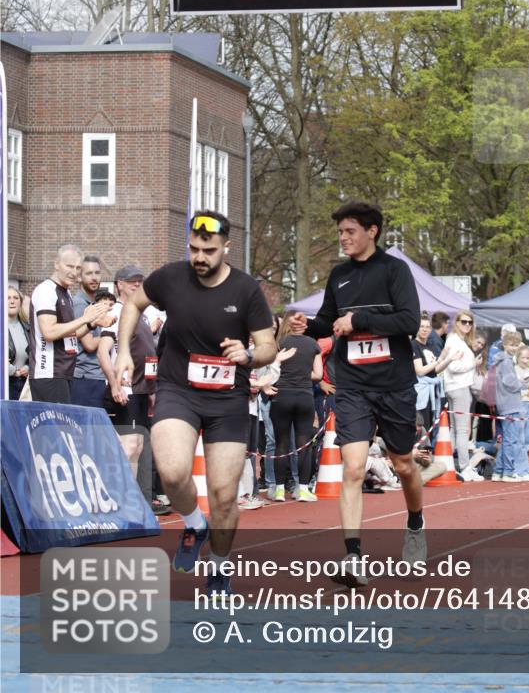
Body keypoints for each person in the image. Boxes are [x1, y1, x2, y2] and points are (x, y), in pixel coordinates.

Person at [114, 211, 276, 591]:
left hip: (228, 399)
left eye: (208, 250)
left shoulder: (246, 290)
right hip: (178, 390)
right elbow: (134, 304)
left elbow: (269, 345)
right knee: (171, 471)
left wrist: (250, 355)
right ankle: (193, 524)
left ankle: (219, 566)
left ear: (226, 248)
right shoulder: (170, 277)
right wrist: (123, 351)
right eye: (193, 248)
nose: (199, 257)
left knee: (223, 495)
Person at [288, 200, 423, 585]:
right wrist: (307, 325)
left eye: (350, 232)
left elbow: (409, 320)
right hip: (352, 386)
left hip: (394, 384)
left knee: (403, 465)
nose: (343, 239)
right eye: (340, 233)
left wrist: (360, 319)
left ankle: (415, 524)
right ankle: (352, 557)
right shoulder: (339, 275)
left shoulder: (395, 271)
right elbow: (330, 323)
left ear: (372, 231)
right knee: (352, 467)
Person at [28, 244, 112, 403]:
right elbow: (49, 332)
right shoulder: (46, 290)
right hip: (49, 372)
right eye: (69, 266)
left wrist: (91, 325)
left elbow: (69, 336)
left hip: (65, 372)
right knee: (54, 427)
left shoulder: (65, 292)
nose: (74, 272)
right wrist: (84, 319)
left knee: (64, 426)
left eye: (78, 268)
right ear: (56, 264)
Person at [270, 316, 322, 502]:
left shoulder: (279, 343)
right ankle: (303, 489)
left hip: (281, 395)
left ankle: (278, 489)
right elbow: (319, 374)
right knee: (304, 444)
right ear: (306, 326)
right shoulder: (313, 345)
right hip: (304, 396)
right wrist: (302, 372)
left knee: (281, 443)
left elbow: (270, 367)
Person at [98, 265, 154, 430]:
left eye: (140, 281)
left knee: (139, 443)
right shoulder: (116, 311)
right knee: (130, 442)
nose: (137, 284)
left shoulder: (142, 313)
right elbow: (102, 352)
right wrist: (115, 384)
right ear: (119, 284)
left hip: (142, 389)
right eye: (132, 281)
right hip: (127, 389)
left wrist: (150, 389)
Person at [438, 310, 482, 481]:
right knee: (462, 430)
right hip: (459, 388)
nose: (467, 325)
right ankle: (464, 467)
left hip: (456, 387)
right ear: (456, 322)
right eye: (463, 321)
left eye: (470, 322)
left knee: (456, 430)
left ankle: (449, 465)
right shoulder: (455, 341)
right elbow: (453, 367)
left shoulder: (457, 340)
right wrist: (473, 363)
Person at [492, 332, 529, 482]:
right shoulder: (506, 361)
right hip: (510, 404)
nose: (514, 348)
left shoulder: (503, 360)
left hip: (505, 403)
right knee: (511, 440)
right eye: (511, 344)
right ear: (504, 344)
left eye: (517, 345)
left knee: (507, 440)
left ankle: (498, 471)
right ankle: (508, 472)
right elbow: (510, 383)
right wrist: (524, 384)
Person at [71, 255, 108, 408]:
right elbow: (89, 344)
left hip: (94, 377)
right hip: (85, 378)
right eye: (89, 273)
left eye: (97, 273)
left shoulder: (92, 304)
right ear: (79, 277)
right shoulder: (80, 304)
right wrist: (112, 335)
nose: (94, 278)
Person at [411, 316, 445, 438]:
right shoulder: (414, 345)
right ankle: (419, 453)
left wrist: (449, 360)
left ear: (431, 329)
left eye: (427, 327)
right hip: (421, 392)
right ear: (416, 328)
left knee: (430, 425)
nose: (425, 329)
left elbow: (435, 370)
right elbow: (420, 371)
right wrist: (439, 360)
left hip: (431, 392)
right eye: (422, 326)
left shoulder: (429, 347)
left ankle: (427, 453)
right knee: (421, 425)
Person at [7, 286, 30, 399]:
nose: (12, 301)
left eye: (15, 298)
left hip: (25, 383)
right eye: (8, 298)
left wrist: (28, 367)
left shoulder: (28, 328)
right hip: (6, 383)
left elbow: (36, 353)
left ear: (20, 302)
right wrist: (12, 370)